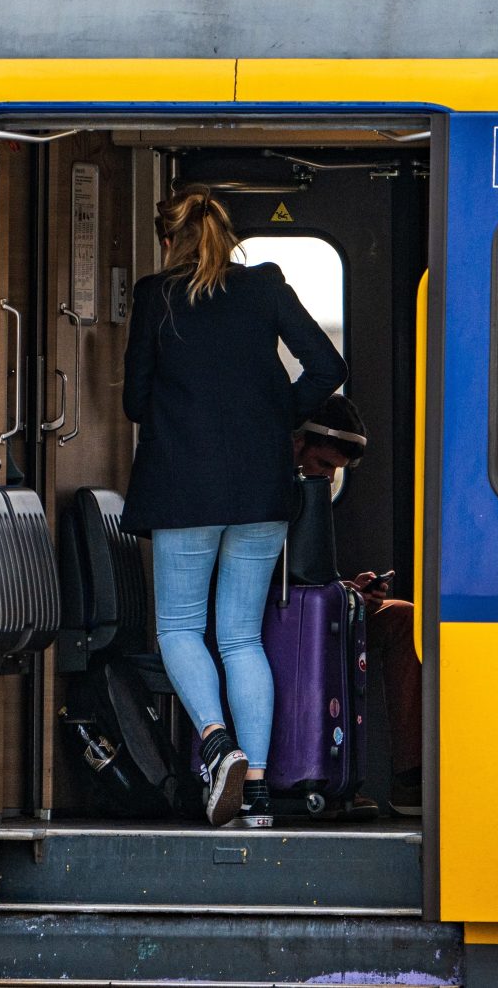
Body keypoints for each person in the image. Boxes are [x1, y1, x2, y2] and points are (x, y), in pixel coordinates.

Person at [122, 188, 346, 827]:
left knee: (180, 629)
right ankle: (254, 792)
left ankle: (218, 743)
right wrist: (277, 416)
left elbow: (136, 403)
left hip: (183, 489)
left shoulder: (156, 297)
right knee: (242, 635)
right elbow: (326, 365)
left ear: (170, 242)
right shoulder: (265, 287)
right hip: (259, 488)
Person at [292, 395, 422, 817]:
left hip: (309, 607)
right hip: (284, 618)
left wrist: (349, 591)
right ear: (297, 444)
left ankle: (410, 778)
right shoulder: (274, 489)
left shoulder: (304, 493)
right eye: (324, 464)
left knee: (403, 618)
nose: (328, 478)